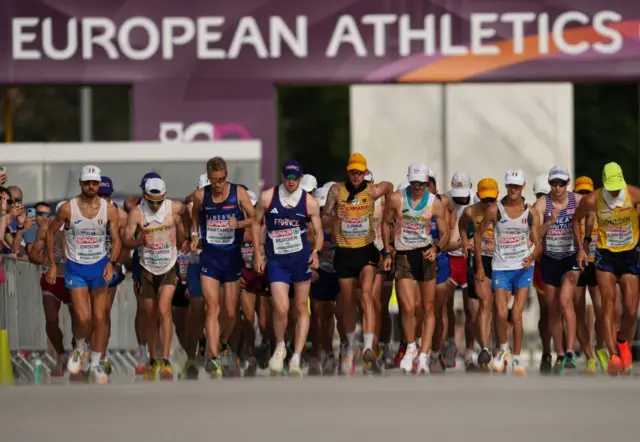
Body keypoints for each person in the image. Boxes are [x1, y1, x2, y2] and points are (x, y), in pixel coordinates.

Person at [46, 165, 121, 384]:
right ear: (80, 183)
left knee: (100, 318)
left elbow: (116, 239)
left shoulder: (109, 209)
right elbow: (51, 234)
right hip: (76, 266)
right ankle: (79, 346)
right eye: (87, 182)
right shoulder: (68, 209)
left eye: (95, 182)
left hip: (99, 266)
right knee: (84, 317)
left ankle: (95, 363)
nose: (91, 186)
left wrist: (112, 263)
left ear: (99, 184)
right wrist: (52, 264)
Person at [322, 153, 393, 375]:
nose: (355, 175)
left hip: (366, 250)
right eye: (353, 171)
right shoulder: (336, 190)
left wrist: (388, 209)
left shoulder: (372, 190)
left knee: (366, 297)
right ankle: (351, 345)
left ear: (365, 173)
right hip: (344, 252)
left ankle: (370, 345)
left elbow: (390, 186)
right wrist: (335, 216)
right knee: (347, 301)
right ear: (348, 171)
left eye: (359, 172)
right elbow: (323, 218)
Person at [253, 160, 323, 376]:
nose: (291, 182)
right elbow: (256, 223)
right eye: (288, 178)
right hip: (277, 261)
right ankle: (281, 346)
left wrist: (316, 252)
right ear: (282, 177)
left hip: (300, 260)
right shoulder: (267, 197)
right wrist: (258, 253)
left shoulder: (309, 202)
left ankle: (296, 357)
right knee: (281, 308)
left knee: (301, 307)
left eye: (295, 178)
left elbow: (318, 231)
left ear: (300, 178)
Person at [572, 162, 640, 375]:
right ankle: (613, 356)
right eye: (610, 186)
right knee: (607, 307)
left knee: (630, 309)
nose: (613, 190)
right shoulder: (592, 199)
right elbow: (576, 219)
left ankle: (622, 343)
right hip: (606, 255)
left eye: (616, 186)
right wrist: (581, 248)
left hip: (629, 255)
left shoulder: (633, 194)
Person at [190, 157, 255, 377]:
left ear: (226, 176)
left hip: (232, 259)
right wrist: (194, 234)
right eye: (214, 180)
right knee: (212, 307)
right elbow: (195, 213)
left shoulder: (239, 193)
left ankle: (222, 341)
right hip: (210, 259)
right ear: (208, 178)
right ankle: (213, 356)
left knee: (230, 310)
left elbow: (255, 219)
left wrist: (240, 223)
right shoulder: (202, 195)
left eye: (221, 180)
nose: (217, 185)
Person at [383, 163, 449, 374]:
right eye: (414, 183)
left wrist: (437, 248)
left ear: (428, 182)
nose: (418, 187)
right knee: (408, 306)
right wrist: (387, 250)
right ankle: (411, 345)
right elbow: (386, 223)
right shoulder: (396, 198)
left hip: (426, 255)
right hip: (404, 255)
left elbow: (445, 231)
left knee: (428, 308)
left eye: (422, 184)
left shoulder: (435, 203)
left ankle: (424, 354)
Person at [475, 169, 541, 375]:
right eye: (510, 185)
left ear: (523, 187)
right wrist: (478, 265)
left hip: (522, 268)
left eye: (517, 186)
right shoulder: (495, 210)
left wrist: (531, 257)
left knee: (518, 315)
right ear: (506, 186)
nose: (513, 189)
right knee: (501, 313)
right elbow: (477, 236)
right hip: (501, 267)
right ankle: (503, 350)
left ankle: (518, 359)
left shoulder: (531, 212)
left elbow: (539, 244)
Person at [123, 177, 186, 380]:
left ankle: (165, 359)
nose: (156, 204)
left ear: (165, 196)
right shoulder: (137, 212)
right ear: (145, 196)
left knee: (163, 310)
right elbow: (126, 239)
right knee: (149, 314)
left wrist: (189, 234)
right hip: (146, 267)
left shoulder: (174, 208)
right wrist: (139, 240)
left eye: (159, 200)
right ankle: (152, 358)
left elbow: (190, 213)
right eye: (152, 200)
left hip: (168, 266)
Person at [533, 166, 586, 374]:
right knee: (553, 309)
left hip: (570, 257)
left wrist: (584, 245)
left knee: (565, 301)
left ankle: (571, 350)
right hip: (550, 259)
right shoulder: (542, 203)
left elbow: (591, 217)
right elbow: (534, 234)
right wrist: (550, 221)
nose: (557, 188)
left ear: (568, 183)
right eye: (553, 183)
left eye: (561, 183)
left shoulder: (578, 201)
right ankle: (560, 353)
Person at [459, 178, 499, 371]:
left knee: (498, 308)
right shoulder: (470, 211)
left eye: (492, 199)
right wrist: (464, 241)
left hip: (500, 260)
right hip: (480, 260)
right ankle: (484, 349)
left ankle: (498, 347)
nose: (489, 203)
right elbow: (461, 223)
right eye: (485, 199)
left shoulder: (503, 210)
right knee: (483, 306)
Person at [125, 171, 162, 375]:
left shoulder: (165, 207)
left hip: (163, 262)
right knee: (143, 309)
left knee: (158, 310)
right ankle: (142, 354)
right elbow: (129, 204)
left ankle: (157, 353)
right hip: (142, 262)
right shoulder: (135, 208)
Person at [28, 200, 70, 376]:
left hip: (73, 279)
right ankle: (61, 355)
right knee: (51, 320)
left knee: (80, 321)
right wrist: (44, 260)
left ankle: (78, 352)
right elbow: (33, 253)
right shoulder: (46, 227)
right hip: (51, 279)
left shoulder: (77, 227)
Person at [574, 176, 609, 372]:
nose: (584, 196)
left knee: (601, 309)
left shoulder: (600, 210)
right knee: (578, 311)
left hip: (597, 263)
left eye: (587, 192)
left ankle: (600, 348)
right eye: (580, 192)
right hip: (577, 264)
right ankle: (589, 356)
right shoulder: (573, 213)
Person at [97, 176, 131, 374]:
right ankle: (86, 350)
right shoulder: (87, 212)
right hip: (88, 266)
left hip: (110, 268)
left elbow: (126, 243)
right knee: (88, 315)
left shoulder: (121, 215)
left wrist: (117, 263)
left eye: (107, 195)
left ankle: (101, 356)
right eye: (100, 195)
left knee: (103, 314)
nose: (104, 198)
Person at [531, 174, 552, 372]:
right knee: (546, 311)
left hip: (561, 261)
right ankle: (547, 352)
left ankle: (564, 351)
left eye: (545, 195)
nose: (542, 199)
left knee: (563, 309)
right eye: (539, 195)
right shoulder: (532, 211)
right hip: (541, 265)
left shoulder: (561, 209)